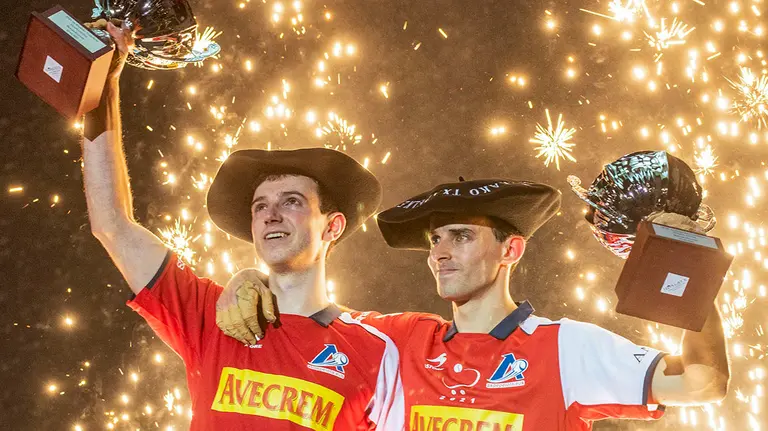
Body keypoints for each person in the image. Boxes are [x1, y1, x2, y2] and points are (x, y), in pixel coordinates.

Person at [81, 21, 403, 430]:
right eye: (259, 206)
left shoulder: (376, 348)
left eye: (292, 202)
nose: (271, 214)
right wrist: (103, 84)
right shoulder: (210, 317)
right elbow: (112, 223)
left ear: (333, 226)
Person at [219, 178, 730, 430]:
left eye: (460, 237)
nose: (439, 252)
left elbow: (702, 382)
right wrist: (247, 277)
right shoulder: (397, 342)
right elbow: (309, 312)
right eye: (435, 239)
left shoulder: (564, 348)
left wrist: (687, 267)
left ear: (511, 249)